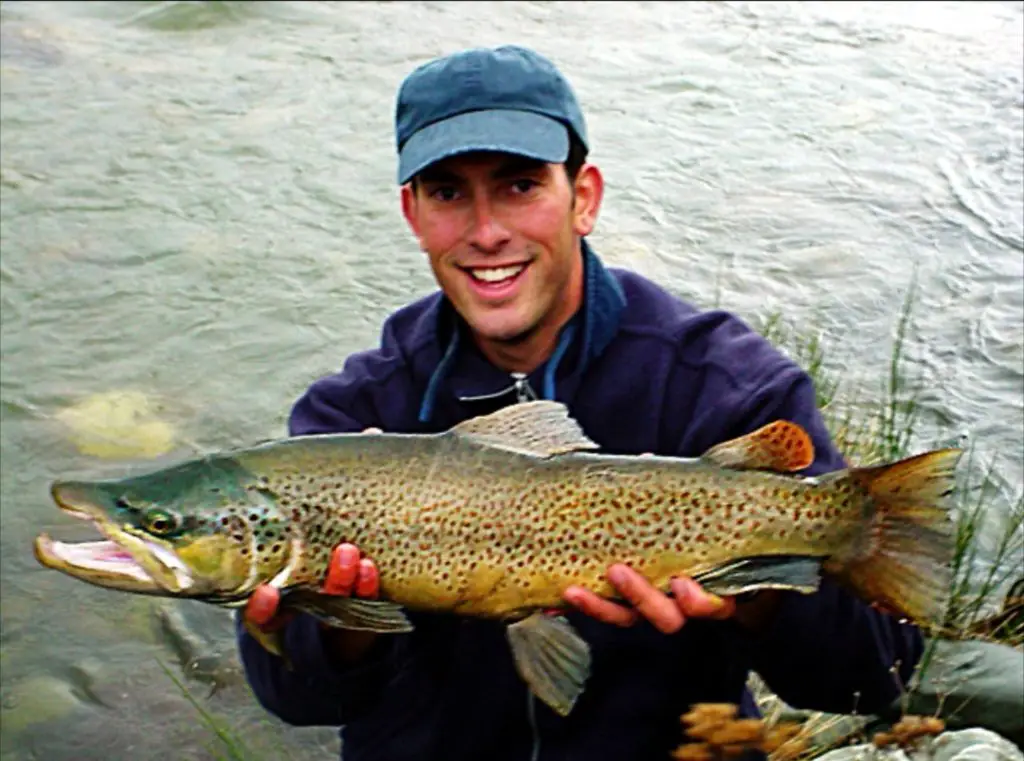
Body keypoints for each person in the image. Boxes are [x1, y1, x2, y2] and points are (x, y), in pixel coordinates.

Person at [235, 45, 923, 760]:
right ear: (413, 214)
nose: (486, 231)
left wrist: (754, 590)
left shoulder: (724, 384)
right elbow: (295, 702)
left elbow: (877, 676)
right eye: (447, 193)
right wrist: (347, 623)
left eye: (519, 186)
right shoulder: (353, 415)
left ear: (584, 197)